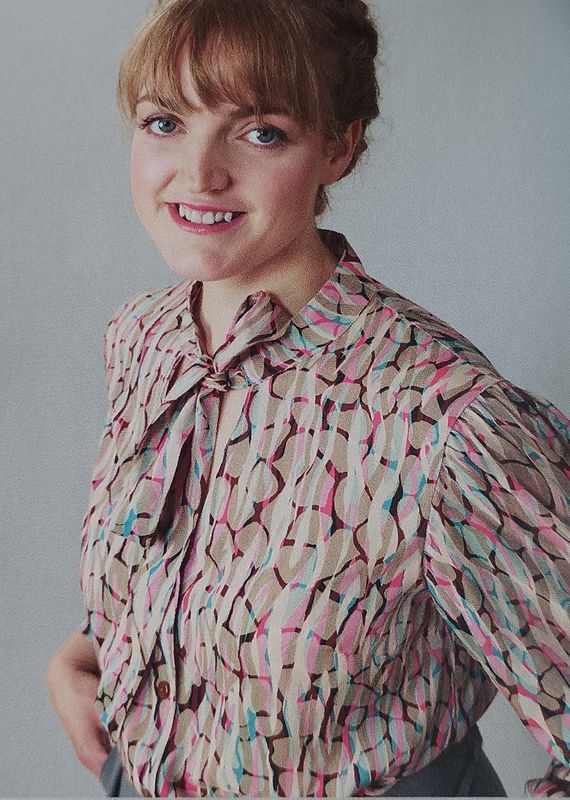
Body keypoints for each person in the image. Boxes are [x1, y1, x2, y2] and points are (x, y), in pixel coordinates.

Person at [47, 0, 570, 796]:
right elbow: (197, 569)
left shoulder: (445, 419)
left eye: (261, 132)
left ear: (338, 146)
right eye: (164, 122)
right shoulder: (144, 341)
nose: (199, 173)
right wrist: (86, 655)